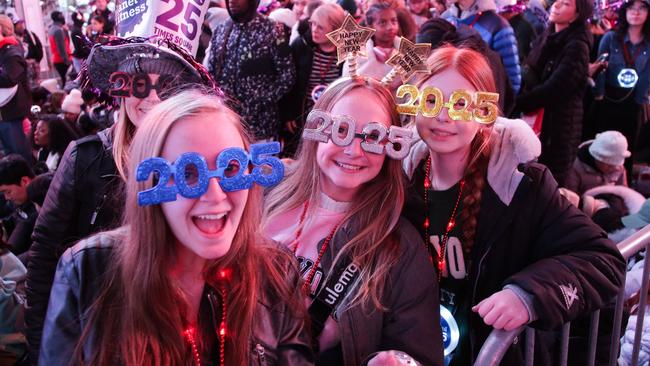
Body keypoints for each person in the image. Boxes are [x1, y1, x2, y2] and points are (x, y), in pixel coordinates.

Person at [39, 90, 313, 365]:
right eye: (188, 173)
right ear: (152, 182)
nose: (215, 196)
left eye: (230, 169)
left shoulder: (276, 271)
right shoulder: (87, 270)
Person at [403, 45, 625, 365]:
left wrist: (527, 295)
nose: (442, 116)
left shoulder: (521, 186)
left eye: (462, 104)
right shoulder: (398, 178)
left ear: (485, 114)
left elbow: (603, 261)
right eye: (431, 99)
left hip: (489, 354)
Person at [25, 38, 216, 363]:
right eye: (141, 82)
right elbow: (45, 252)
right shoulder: (86, 157)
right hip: (95, 332)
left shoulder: (199, 165)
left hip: (173, 336)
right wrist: (41, 341)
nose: (152, 96)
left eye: (165, 85)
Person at [263, 77, 443, 365]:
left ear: (391, 146)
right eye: (341, 130)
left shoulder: (401, 249)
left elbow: (419, 353)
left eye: (372, 137)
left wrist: (393, 360)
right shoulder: (261, 193)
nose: (353, 151)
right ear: (317, 129)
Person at [516, 0, 593, 187]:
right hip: (537, 119)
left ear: (577, 14)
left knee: (548, 183)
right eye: (557, 1)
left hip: (558, 126)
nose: (556, 5)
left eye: (565, 3)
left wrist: (520, 102)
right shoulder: (547, 35)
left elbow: (557, 88)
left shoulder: (577, 45)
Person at [207, 0, 296, 141]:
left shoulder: (273, 29)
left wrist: (260, 101)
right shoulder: (221, 30)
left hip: (261, 128)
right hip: (226, 127)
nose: (232, 1)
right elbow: (210, 75)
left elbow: (287, 76)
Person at [593, 0, 650, 183]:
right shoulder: (610, 38)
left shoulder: (648, 43)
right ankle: (597, 182)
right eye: (632, 8)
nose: (636, 12)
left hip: (633, 101)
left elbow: (648, 74)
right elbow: (600, 67)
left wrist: (641, 101)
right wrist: (599, 95)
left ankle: (622, 186)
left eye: (642, 8)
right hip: (608, 98)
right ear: (624, 12)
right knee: (603, 142)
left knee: (628, 146)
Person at [281, 3, 345, 157]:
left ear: (336, 30)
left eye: (321, 27)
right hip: (302, 116)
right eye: (313, 24)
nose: (314, 30)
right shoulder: (301, 46)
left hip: (332, 119)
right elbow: (291, 83)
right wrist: (289, 114)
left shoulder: (346, 54)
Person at [442, 0, 522, 93]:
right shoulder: (446, 19)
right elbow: (422, 67)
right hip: (447, 100)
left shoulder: (497, 25)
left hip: (481, 103)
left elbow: (513, 84)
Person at [0, 15, 32, 164]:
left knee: (19, 158)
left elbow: (10, 78)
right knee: (10, 158)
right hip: (6, 113)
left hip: (13, 113)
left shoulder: (11, 51)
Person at [343, 3, 400, 82]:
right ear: (370, 26)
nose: (391, 27)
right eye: (382, 23)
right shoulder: (356, 53)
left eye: (394, 21)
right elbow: (347, 81)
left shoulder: (406, 52)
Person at [565, 130, 630, 195]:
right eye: (608, 165)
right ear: (596, 157)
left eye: (615, 164)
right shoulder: (577, 168)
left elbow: (623, 193)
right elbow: (570, 196)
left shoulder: (619, 168)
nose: (613, 168)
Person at [0, 155, 36, 255]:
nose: (7, 198)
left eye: (8, 192)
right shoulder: (22, 199)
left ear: (25, 181)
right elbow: (14, 219)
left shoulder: (41, 206)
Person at [13, 19, 44, 88]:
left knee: (37, 84)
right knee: (27, 85)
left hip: (34, 63)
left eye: (22, 23)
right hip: (23, 65)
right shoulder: (13, 38)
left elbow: (38, 46)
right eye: (18, 24)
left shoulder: (30, 35)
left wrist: (37, 60)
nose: (21, 26)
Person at [48, 11, 72, 88]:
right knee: (66, 83)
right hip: (62, 60)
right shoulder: (58, 30)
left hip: (57, 59)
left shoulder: (52, 29)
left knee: (64, 81)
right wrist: (67, 61)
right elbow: (61, 48)